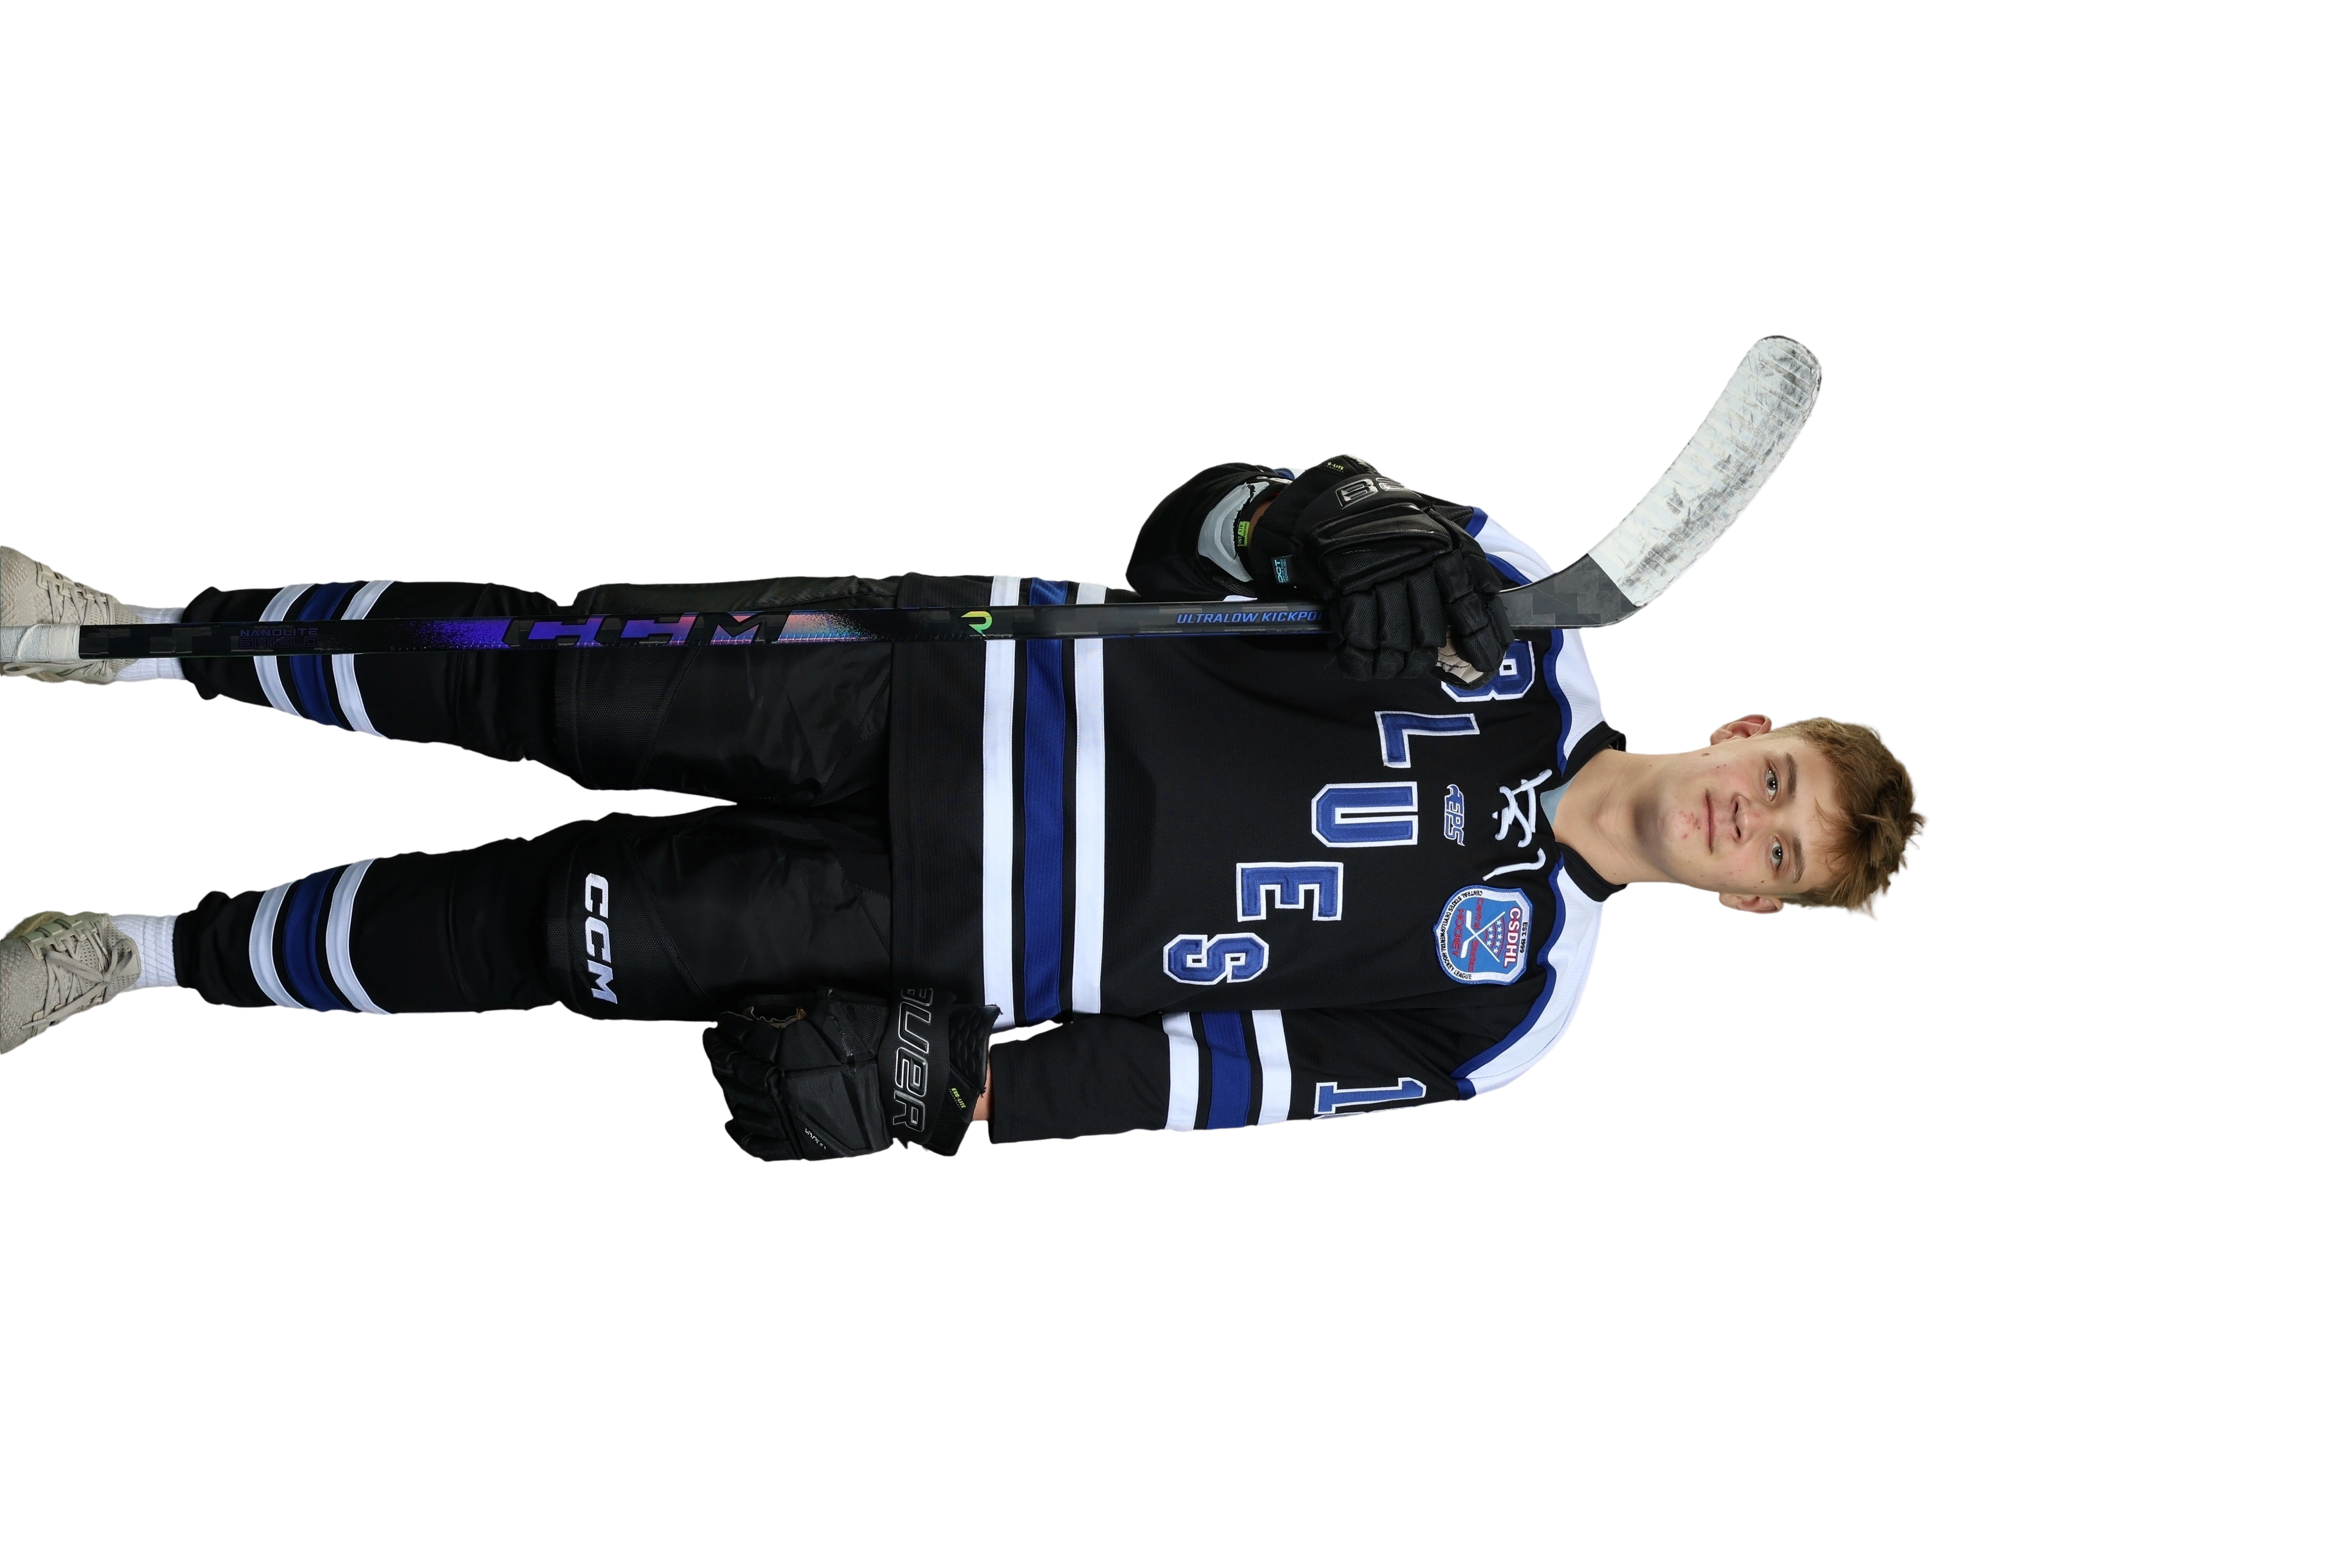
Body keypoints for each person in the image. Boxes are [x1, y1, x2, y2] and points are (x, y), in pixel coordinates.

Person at [0, 454, 1931, 1159]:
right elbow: (1196, 526)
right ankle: (121, 642)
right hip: (923, 681)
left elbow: (1220, 1077)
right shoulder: (1506, 615)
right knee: (536, 665)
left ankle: (134, 953)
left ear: (1756, 907)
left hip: (923, 937)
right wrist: (1329, 512)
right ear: (1747, 728)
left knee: (531, 936)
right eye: (1776, 783)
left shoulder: (1508, 1016)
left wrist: (962, 1102)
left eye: (1780, 852)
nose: (1747, 821)